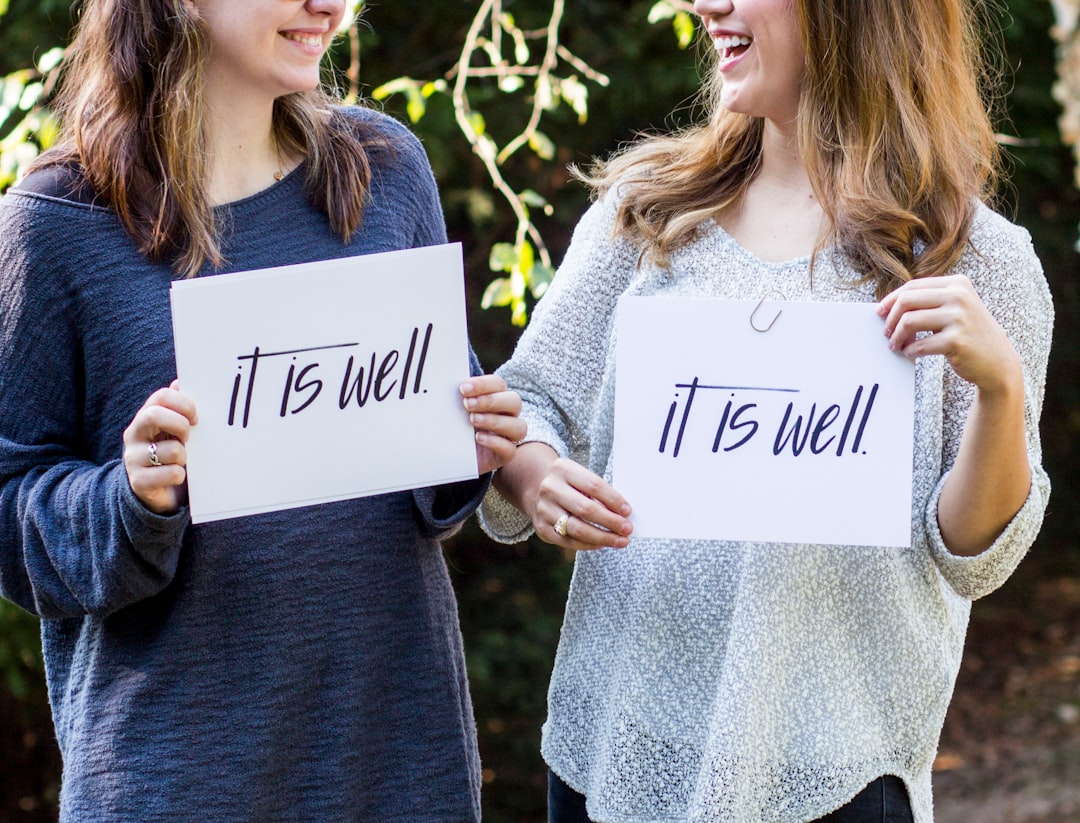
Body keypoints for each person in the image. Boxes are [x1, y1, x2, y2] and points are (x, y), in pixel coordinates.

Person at [480, 0, 1053, 820]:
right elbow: (528, 398)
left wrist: (999, 390)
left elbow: (970, 552)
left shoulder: (974, 257)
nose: (706, 4)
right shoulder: (649, 213)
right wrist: (537, 477)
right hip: (617, 748)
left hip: (838, 776)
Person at [0, 0, 526, 820]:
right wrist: (129, 497)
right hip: (173, 779)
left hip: (395, 763)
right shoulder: (54, 222)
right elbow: (11, 510)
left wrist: (472, 442)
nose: (331, 6)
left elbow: (432, 466)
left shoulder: (386, 169)